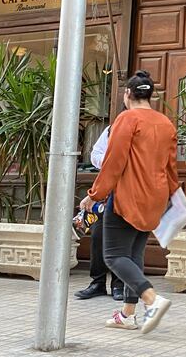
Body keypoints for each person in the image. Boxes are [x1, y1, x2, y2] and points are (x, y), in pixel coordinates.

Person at [79, 70, 179, 334]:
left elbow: (114, 162)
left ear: (127, 94)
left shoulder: (127, 119)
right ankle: (127, 314)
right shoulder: (166, 123)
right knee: (133, 255)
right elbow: (171, 168)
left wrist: (94, 195)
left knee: (113, 255)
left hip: (128, 197)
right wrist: (170, 197)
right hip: (154, 198)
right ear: (151, 96)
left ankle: (152, 301)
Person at [73, 124, 124, 301]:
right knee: (98, 236)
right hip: (106, 189)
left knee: (120, 239)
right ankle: (97, 283)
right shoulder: (112, 129)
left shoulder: (141, 130)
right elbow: (95, 155)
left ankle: (119, 284)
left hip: (129, 191)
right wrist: (111, 161)